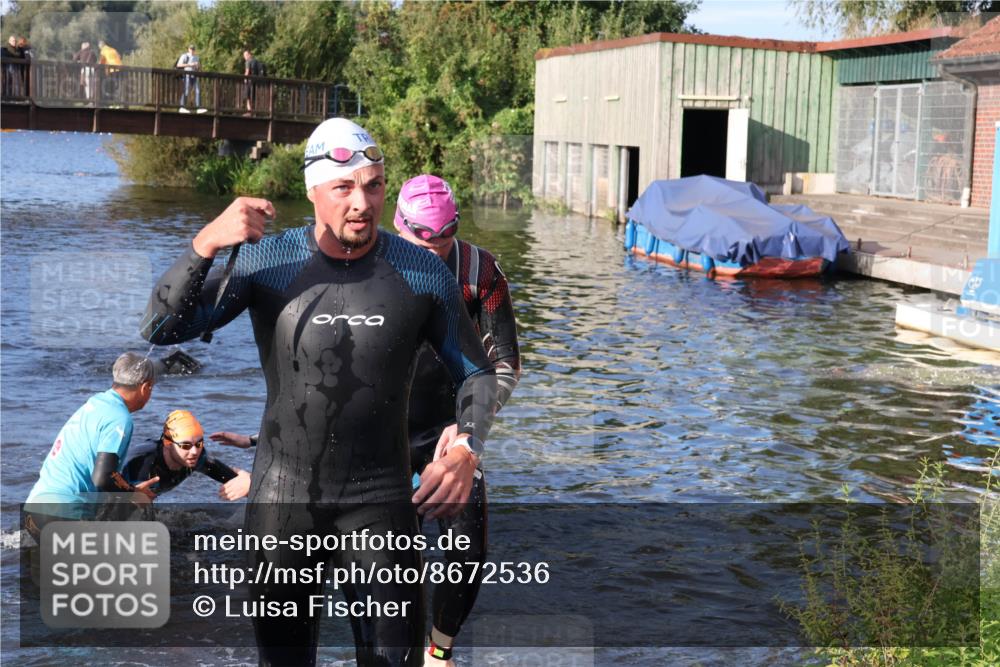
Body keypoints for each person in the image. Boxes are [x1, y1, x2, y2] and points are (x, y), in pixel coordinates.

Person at [141, 117, 497, 666]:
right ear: (312, 190)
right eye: (344, 186)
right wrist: (207, 241)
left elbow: (479, 371)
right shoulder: (267, 261)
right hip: (284, 503)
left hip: (380, 504)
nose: (362, 201)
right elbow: (161, 329)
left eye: (374, 184)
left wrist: (467, 447)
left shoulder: (423, 273)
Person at [395, 174, 521, 666]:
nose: (434, 256)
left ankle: (438, 651)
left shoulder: (479, 272)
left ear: (455, 230)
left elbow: (506, 364)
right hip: (384, 429)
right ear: (399, 228)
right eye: (421, 244)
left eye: (444, 242)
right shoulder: (371, 266)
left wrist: (472, 425)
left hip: (451, 429)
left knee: (466, 549)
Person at [25, 352, 157, 523]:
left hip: (35, 510)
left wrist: (127, 490)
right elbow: (103, 476)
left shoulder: (95, 403)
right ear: (145, 387)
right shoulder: (120, 418)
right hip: (65, 514)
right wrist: (133, 494)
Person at [123, 410, 250, 500]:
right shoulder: (144, 460)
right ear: (168, 443)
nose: (194, 452)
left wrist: (248, 481)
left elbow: (237, 481)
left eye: (199, 444)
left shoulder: (198, 458)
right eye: (185, 446)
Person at [175, 44, 204, 113]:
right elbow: (178, 65)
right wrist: (189, 64)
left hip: (194, 75)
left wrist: (198, 66)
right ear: (188, 49)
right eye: (191, 49)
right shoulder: (185, 56)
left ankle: (199, 107)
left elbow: (199, 68)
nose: (192, 50)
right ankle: (182, 107)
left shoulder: (197, 57)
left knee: (198, 90)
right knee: (186, 90)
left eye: (193, 49)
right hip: (186, 75)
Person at [97, 39, 122, 104]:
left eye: (99, 46)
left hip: (112, 69)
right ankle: (118, 100)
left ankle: (111, 100)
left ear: (101, 45)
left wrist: (98, 66)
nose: (99, 47)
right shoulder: (112, 49)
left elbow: (101, 61)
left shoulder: (103, 50)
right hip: (120, 67)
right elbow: (119, 56)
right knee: (118, 84)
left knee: (111, 84)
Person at [242, 48, 263, 115]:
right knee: (253, 96)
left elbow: (247, 71)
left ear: (249, 55)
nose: (244, 57)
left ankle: (249, 111)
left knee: (248, 96)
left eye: (245, 55)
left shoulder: (248, 62)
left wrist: (245, 79)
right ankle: (254, 111)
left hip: (249, 82)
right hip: (255, 82)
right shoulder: (256, 61)